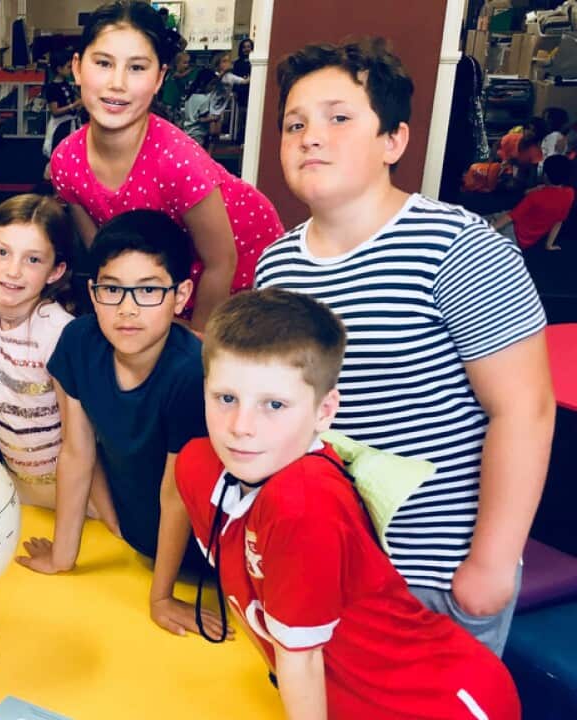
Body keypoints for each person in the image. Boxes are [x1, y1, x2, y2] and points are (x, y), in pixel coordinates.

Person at [258, 38, 554, 654]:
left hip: (435, 573)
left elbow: (524, 410)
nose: (311, 138)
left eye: (339, 118)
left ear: (393, 141)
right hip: (324, 559)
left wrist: (491, 565)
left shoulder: (460, 248)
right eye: (295, 124)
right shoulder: (277, 265)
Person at [177, 288, 521, 720]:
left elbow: (300, 658)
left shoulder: (302, 498)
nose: (241, 426)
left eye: (274, 405)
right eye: (226, 398)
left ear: (324, 411)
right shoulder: (198, 466)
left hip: (435, 703)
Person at [17, 209, 228, 640]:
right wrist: (62, 556)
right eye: (112, 289)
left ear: (181, 295)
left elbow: (176, 494)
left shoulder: (192, 373)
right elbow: (76, 452)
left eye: (148, 290)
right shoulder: (79, 341)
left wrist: (161, 598)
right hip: (138, 539)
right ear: (93, 293)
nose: (127, 309)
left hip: (205, 556)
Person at [49, 0, 284, 330]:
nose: (117, 82)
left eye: (137, 68)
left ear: (159, 78)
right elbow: (102, 254)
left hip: (237, 268)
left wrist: (196, 344)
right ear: (77, 67)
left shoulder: (177, 160)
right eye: (103, 63)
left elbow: (221, 262)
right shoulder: (66, 161)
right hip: (160, 278)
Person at [0, 194, 81, 509]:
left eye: (33, 260)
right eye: (2, 252)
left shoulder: (59, 332)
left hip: (73, 489)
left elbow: (77, 443)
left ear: (56, 270)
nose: (13, 271)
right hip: (12, 483)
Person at [492, 154, 574, 252]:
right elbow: (559, 221)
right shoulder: (570, 193)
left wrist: (490, 229)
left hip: (513, 233)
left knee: (480, 227)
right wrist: (549, 245)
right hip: (525, 241)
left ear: (545, 175)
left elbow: (511, 216)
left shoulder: (536, 196)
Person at [42, 51, 82, 159]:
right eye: (68, 67)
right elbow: (55, 111)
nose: (71, 70)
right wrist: (74, 105)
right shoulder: (52, 88)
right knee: (60, 154)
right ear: (59, 69)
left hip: (71, 123)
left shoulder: (66, 84)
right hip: (61, 126)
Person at [180, 69, 221, 148]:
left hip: (187, 131)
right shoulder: (204, 99)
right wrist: (214, 118)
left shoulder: (190, 97)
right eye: (212, 84)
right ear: (203, 83)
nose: (213, 88)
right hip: (198, 133)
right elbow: (201, 119)